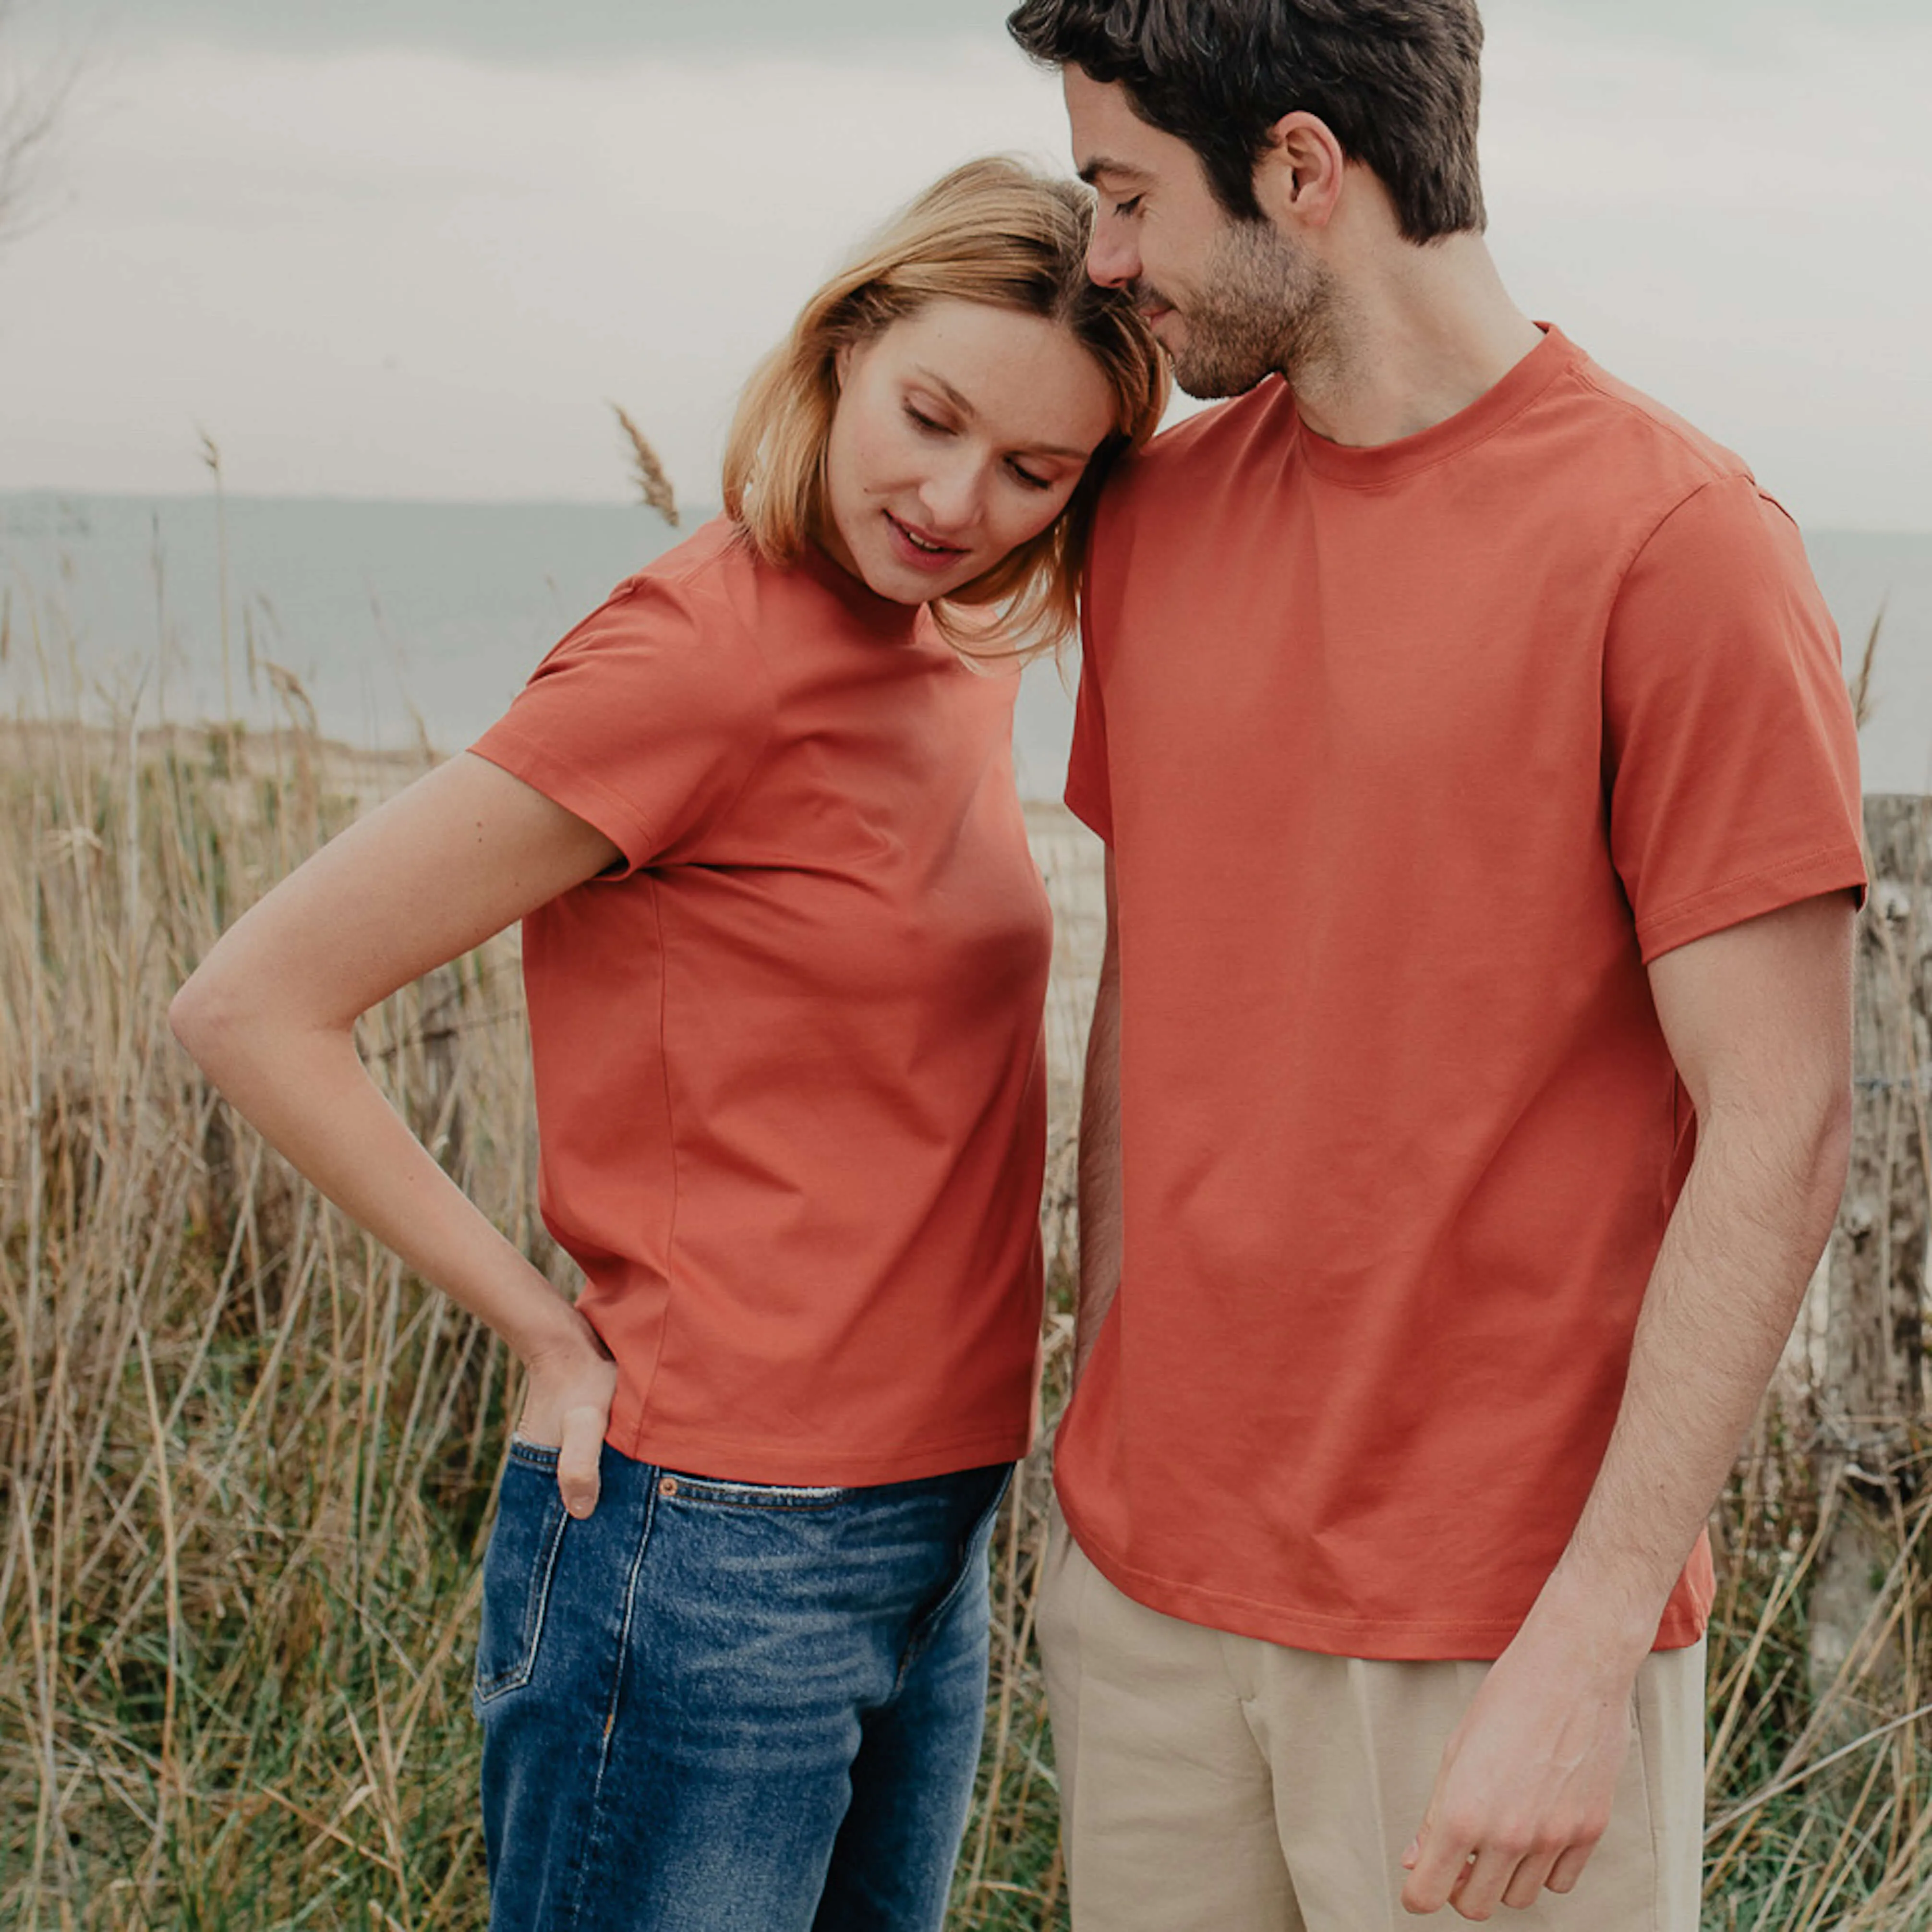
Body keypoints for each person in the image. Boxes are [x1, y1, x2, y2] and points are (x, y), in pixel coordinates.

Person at [169, 155, 1166, 1932]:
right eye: (929, 417)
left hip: (937, 1515)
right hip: (711, 1540)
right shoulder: (691, 657)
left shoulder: (951, 643)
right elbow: (253, 1003)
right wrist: (544, 1335)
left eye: (1035, 468)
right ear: (845, 350)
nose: (956, 500)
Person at [1002, 3, 1866, 1926]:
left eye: (1127, 194)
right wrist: (1096, 1451)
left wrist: (1583, 1641)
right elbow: (1160, 992)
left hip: (1494, 1634)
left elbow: (1781, 1125)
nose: (1106, 259)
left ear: (1304, 172)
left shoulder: (1678, 546)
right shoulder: (1156, 527)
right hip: (1151, 1606)